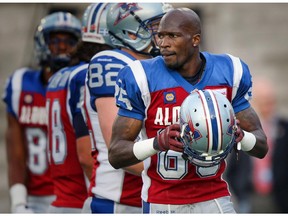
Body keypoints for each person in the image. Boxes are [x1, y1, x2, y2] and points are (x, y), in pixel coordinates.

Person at [109, 8, 268, 213]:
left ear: (195, 39)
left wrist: (240, 137)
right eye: (160, 35)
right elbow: (115, 154)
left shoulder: (229, 72)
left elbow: (261, 146)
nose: (163, 44)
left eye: (172, 36)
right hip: (163, 201)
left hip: (215, 197)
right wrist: (157, 143)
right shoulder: (141, 77)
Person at [83, 2, 173, 213]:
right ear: (132, 32)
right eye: (158, 27)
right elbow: (119, 152)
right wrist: (183, 170)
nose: (167, 35)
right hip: (118, 202)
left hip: (155, 198)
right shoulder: (111, 63)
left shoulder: (162, 67)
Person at [2, 11, 81, 213]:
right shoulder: (20, 84)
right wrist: (19, 202)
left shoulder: (84, 85)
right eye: (54, 40)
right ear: (41, 43)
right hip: (34, 198)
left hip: (76, 196)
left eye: (69, 41)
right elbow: (15, 154)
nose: (62, 47)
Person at [42, 12, 93, 213]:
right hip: (82, 201)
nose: (62, 47)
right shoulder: (83, 76)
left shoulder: (57, 78)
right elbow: (86, 156)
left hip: (61, 200)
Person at [226, 76, 288, 213]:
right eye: (263, 102)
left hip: (279, 197)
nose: (267, 107)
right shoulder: (243, 130)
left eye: (270, 102)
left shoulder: (284, 128)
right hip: (250, 197)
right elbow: (232, 168)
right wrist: (239, 192)